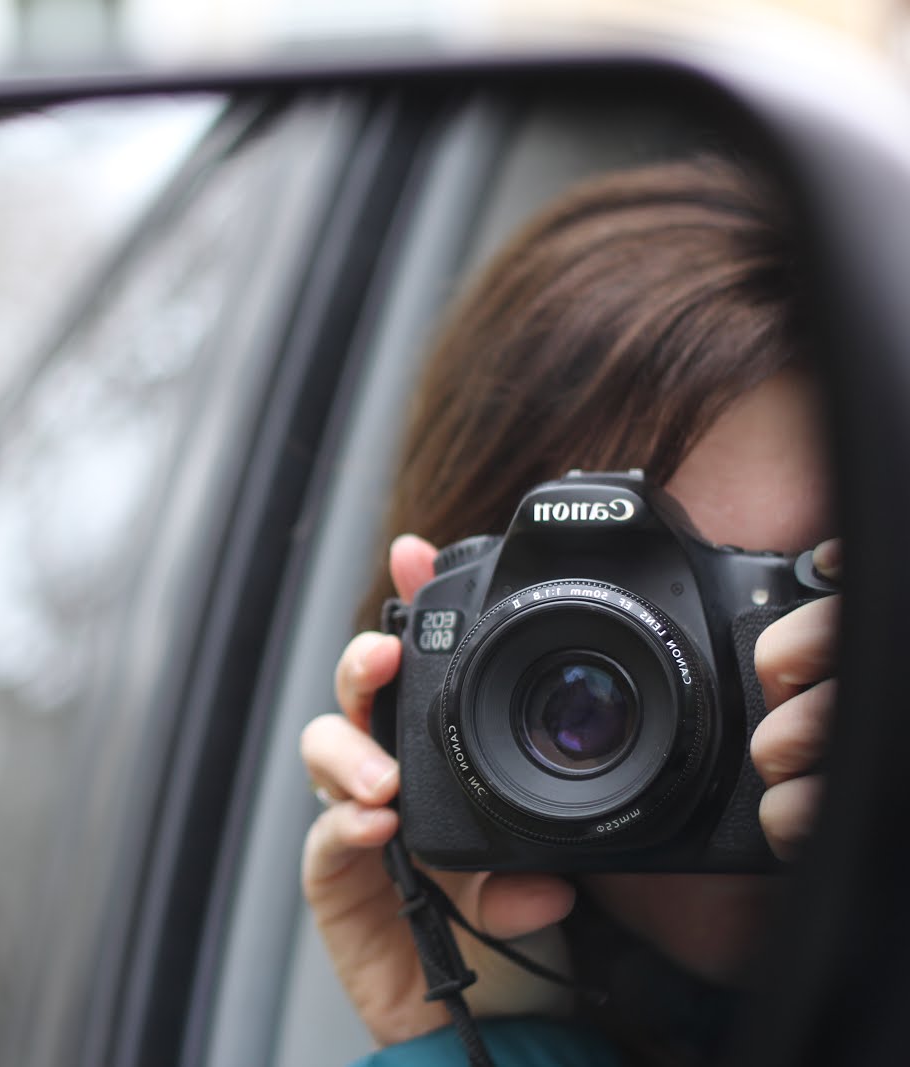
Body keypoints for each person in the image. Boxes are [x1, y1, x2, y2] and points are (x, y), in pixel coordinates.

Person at [298, 156, 840, 1066]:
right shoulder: (505, 985)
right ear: (449, 669)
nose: (732, 705)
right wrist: (485, 1034)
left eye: (797, 593)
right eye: (615, 614)